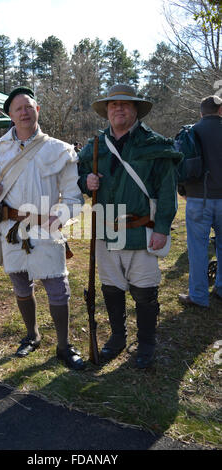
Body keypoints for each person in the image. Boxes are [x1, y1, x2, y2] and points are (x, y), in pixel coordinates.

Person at [0, 86, 85, 370]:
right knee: (21, 282)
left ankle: (63, 345)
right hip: (10, 228)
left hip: (47, 227)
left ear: (38, 111)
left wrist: (60, 217)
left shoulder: (60, 150)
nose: (24, 111)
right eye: (18, 108)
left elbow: (73, 196)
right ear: (10, 114)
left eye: (28, 106)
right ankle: (32, 336)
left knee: (58, 287)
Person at [78, 84, 182, 369]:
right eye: (113, 105)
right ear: (107, 112)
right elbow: (79, 173)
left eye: (125, 104)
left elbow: (167, 189)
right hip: (106, 229)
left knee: (144, 291)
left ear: (136, 110)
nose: (119, 109)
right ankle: (118, 337)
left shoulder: (155, 144)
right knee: (111, 287)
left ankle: (147, 342)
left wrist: (162, 228)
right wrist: (86, 181)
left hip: (141, 229)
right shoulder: (95, 145)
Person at [178, 95, 222, 308]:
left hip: (198, 198)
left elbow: (179, 164)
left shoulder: (191, 131)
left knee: (197, 249)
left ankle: (198, 295)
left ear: (201, 112)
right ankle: (221, 289)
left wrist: (182, 189)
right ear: (220, 111)